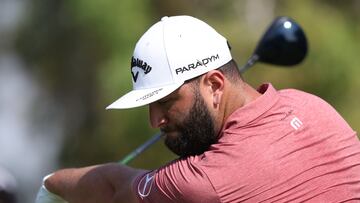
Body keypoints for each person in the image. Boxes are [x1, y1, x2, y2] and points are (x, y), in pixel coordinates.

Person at [36, 15, 360, 203]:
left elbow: (114, 187)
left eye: (165, 102)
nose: (155, 121)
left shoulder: (205, 182)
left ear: (215, 85)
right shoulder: (310, 104)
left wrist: (50, 184)